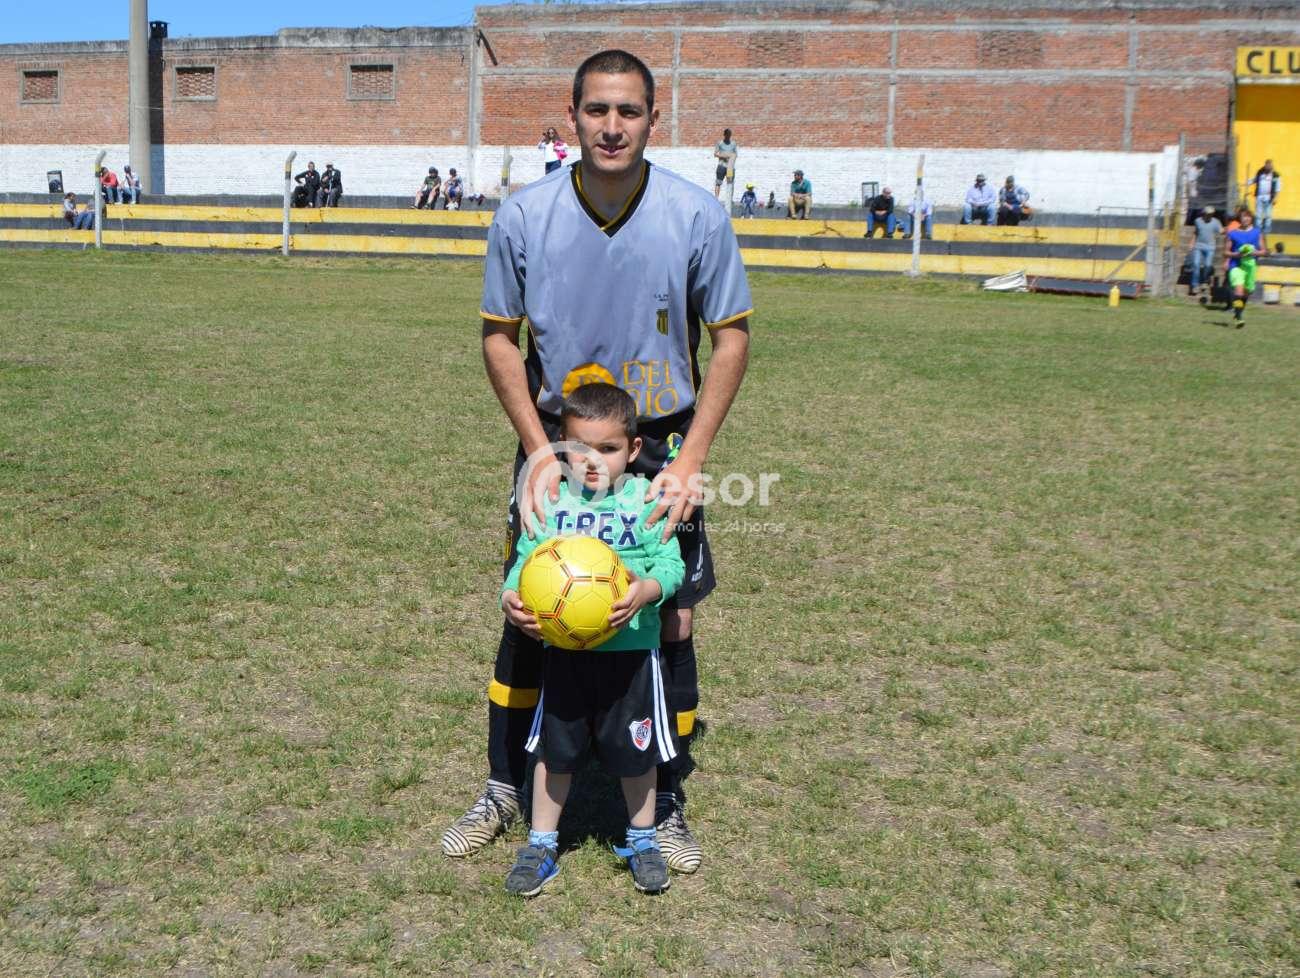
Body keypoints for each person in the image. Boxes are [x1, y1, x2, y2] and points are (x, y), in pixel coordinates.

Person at [447, 48, 752, 876]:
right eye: (596, 110)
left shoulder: (697, 216)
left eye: (628, 111)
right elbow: (498, 337)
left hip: (659, 444)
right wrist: (537, 448)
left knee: (671, 615)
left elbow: (731, 339)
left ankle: (666, 800)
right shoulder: (524, 215)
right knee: (531, 603)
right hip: (557, 442)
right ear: (572, 116)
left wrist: (691, 460)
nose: (612, 126)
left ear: (653, 119)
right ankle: (503, 786)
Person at [501, 383, 685, 897]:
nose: (593, 461)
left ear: (633, 449)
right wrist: (511, 597)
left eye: (608, 448)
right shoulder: (551, 501)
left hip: (630, 657)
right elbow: (524, 562)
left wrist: (648, 589)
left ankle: (643, 839)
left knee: (636, 754)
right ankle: (541, 844)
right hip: (564, 655)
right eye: (580, 448)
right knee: (554, 752)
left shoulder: (646, 500)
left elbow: (671, 565)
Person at [1225, 208, 1267, 328]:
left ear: (1251, 218)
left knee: (1246, 292)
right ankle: (1239, 318)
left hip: (1250, 265)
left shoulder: (1257, 233)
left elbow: (1264, 251)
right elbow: (1226, 252)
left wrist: (1254, 252)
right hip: (1236, 265)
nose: (1246, 219)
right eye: (1243, 216)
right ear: (1240, 218)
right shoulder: (1232, 234)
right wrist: (1237, 254)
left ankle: (1238, 312)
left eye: (1248, 216)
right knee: (1238, 290)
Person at [1188, 206, 1222, 301]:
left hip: (1210, 247)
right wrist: (1191, 243)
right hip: (1198, 246)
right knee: (1196, 264)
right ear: (1204, 213)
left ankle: (1205, 281)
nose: (1209, 215)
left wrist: (1226, 230)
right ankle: (1195, 284)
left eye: (1211, 214)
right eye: (1208, 214)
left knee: (1208, 265)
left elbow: (1221, 230)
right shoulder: (1198, 221)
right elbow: (1196, 232)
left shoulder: (1216, 222)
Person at [1251, 160, 1280, 234]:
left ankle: (1267, 228)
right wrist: (1248, 182)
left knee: (1268, 214)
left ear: (1272, 167)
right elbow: (1255, 180)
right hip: (1260, 196)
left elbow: (1277, 188)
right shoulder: (1260, 173)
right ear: (1265, 166)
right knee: (1258, 213)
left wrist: (1275, 198)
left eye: (1270, 166)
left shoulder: (1275, 175)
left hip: (1269, 197)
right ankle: (1258, 228)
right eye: (1267, 165)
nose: (1268, 167)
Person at [713, 128, 738, 200]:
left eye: (729, 135)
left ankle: (729, 199)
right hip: (721, 166)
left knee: (730, 183)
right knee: (718, 182)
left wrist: (731, 157)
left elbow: (736, 154)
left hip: (730, 167)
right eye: (727, 135)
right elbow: (715, 154)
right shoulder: (720, 143)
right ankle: (716, 198)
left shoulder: (733, 143)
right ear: (724, 135)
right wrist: (723, 156)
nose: (728, 136)